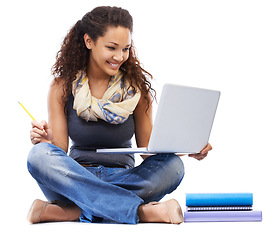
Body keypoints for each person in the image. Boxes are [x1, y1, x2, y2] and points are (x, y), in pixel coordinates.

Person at [27, 6, 212, 224]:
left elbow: (149, 151)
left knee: (173, 167)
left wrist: (189, 148)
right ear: (89, 41)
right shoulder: (62, 87)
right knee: (38, 156)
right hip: (76, 176)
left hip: (125, 177)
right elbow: (59, 151)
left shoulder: (137, 91)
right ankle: (140, 212)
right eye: (112, 48)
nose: (119, 56)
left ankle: (73, 211)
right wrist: (45, 141)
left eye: (125, 49)